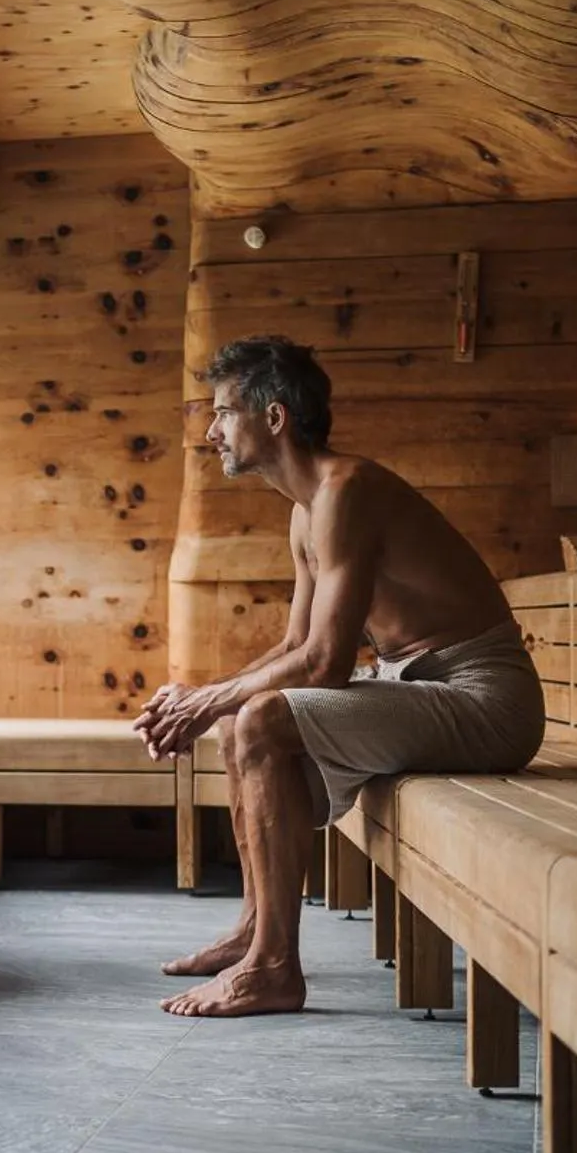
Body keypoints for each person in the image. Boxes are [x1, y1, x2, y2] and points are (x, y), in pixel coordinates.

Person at [136, 335, 543, 1017]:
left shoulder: (345, 491)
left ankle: (273, 967)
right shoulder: (306, 512)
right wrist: (204, 698)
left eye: (224, 412)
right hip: (418, 687)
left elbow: (326, 663)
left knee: (258, 715)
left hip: (485, 700)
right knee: (244, 716)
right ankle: (252, 930)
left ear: (274, 417)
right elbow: (297, 643)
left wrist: (205, 701)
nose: (211, 431)